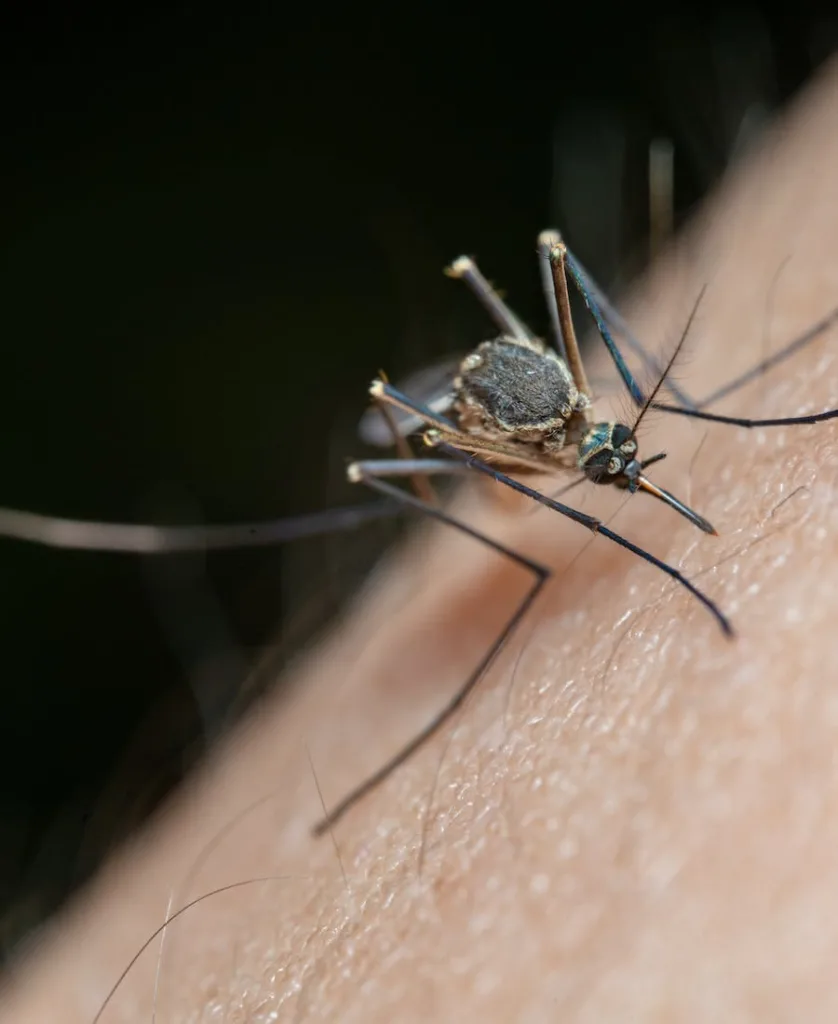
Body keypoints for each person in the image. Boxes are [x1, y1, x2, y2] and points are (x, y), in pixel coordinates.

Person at [4, 59, 838, 1024]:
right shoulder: (526, 445)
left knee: (556, 262)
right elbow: (458, 451)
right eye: (612, 460)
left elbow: (598, 387)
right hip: (482, 422)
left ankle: (716, 408)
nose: (623, 465)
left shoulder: (588, 415)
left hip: (534, 394)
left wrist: (702, 413)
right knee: (424, 451)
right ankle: (524, 568)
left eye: (618, 455)